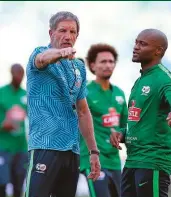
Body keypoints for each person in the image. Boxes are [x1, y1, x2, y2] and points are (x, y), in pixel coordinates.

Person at [25, 11, 100, 197]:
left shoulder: (79, 67)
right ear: (51, 33)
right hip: (45, 144)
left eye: (72, 32)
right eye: (62, 31)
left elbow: (83, 111)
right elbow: (43, 59)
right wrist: (59, 53)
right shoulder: (40, 54)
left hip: (71, 149)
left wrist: (93, 151)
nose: (68, 36)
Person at [110, 28, 171, 197]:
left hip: (152, 162)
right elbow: (138, 120)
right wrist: (122, 134)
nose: (136, 47)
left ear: (158, 50)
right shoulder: (140, 81)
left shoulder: (164, 78)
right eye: (136, 42)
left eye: (142, 44)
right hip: (132, 161)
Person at [80, 44, 128, 197]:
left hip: (114, 160)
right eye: (103, 61)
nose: (108, 65)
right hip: (92, 159)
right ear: (93, 65)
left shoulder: (120, 93)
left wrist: (121, 134)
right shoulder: (85, 91)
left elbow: (126, 126)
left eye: (111, 61)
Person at [0, 64, 27, 197]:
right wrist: (3, 125)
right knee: (2, 183)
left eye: (21, 73)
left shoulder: (25, 95)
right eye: (16, 73)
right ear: (11, 73)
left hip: (21, 147)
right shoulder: (2, 93)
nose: (19, 76)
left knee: (19, 184)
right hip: (3, 146)